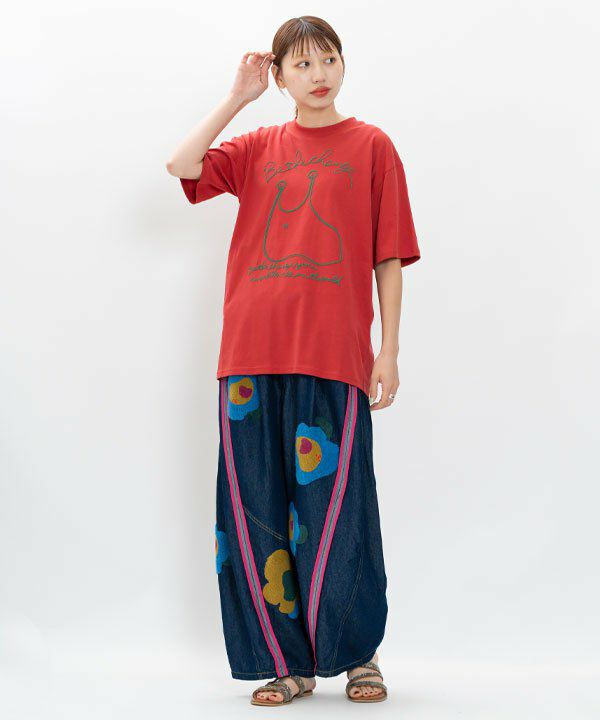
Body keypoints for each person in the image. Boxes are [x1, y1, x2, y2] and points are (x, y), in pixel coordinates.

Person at [166, 15, 421, 706]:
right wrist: (237, 98)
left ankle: (358, 655)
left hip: (333, 355)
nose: (319, 74)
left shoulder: (372, 146)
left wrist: (389, 350)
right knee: (255, 511)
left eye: (328, 59)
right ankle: (287, 663)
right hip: (250, 355)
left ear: (343, 65)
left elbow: (388, 255)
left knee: (338, 508)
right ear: (279, 76)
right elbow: (182, 165)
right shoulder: (257, 146)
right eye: (302, 64)